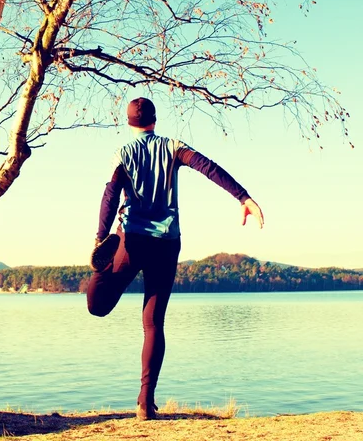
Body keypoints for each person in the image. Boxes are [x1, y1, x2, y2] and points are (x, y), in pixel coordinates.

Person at [86, 97, 264, 421]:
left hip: (130, 240)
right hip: (167, 243)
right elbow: (208, 167)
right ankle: (145, 402)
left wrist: (100, 238)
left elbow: (111, 194)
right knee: (153, 323)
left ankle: (102, 266)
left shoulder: (123, 153)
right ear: (154, 120)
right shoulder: (172, 147)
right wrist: (243, 196)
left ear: (129, 123)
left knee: (97, 306)